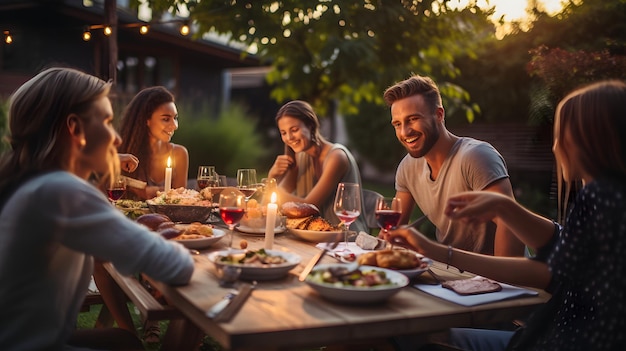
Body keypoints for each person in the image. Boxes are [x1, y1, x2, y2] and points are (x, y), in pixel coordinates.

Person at [384, 80, 626, 351]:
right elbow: (560, 242)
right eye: (397, 123)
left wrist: (439, 252)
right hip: (555, 332)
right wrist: (505, 209)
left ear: (594, 140)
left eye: (564, 135)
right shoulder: (608, 195)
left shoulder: (601, 196)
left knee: (416, 339)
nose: (556, 147)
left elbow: (548, 272)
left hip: (558, 339)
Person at [0, 67, 195, 350]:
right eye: (106, 121)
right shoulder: (61, 192)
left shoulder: (31, 182)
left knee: (124, 341)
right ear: (75, 128)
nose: (116, 138)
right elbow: (175, 265)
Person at [382, 74, 524, 256]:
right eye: (397, 124)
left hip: (493, 275)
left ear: (439, 114)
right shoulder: (407, 167)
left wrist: (504, 282)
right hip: (447, 271)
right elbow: (392, 227)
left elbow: (510, 222)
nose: (404, 131)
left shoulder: (475, 156)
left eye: (413, 119)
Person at [268, 100, 368, 233]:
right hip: (315, 233)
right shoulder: (300, 156)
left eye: (294, 130)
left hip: (346, 235)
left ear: (310, 126)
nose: (289, 137)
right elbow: (276, 200)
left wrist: (271, 189)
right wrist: (272, 176)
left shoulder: (337, 157)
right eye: (283, 133)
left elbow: (310, 205)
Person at [118, 86, 189, 200]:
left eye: (175, 118)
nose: (175, 125)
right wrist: (138, 190)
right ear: (147, 120)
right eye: (166, 119)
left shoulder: (179, 154)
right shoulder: (125, 152)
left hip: (167, 218)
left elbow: (180, 203)